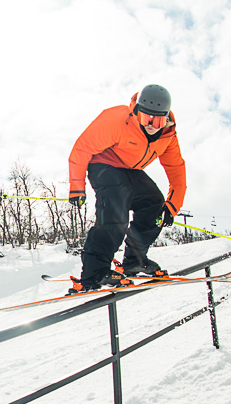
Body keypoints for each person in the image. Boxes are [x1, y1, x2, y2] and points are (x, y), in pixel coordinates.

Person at [66, 83, 186, 293]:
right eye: (146, 118)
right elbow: (82, 148)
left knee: (154, 204)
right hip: (103, 163)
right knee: (116, 208)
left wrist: (173, 205)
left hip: (130, 169)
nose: (152, 125)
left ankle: (134, 261)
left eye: (158, 120)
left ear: (166, 118)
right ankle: (94, 272)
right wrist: (77, 187)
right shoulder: (117, 120)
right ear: (137, 112)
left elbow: (176, 169)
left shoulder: (167, 135)